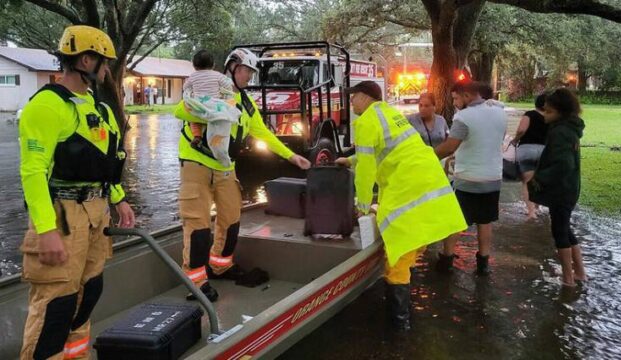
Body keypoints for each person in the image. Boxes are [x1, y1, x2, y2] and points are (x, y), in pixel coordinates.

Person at [18, 25, 135, 359]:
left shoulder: (100, 108)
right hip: (62, 215)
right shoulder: (47, 106)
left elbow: (107, 164)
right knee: (57, 304)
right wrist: (46, 229)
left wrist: (119, 198)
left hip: (96, 212)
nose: (108, 70)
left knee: (89, 291)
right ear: (86, 60)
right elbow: (32, 171)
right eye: (104, 62)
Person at [173, 48, 311, 301]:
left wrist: (291, 156)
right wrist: (211, 109)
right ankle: (196, 282)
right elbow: (180, 111)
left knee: (231, 219)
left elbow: (263, 133)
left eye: (251, 72)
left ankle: (220, 265)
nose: (250, 77)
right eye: (247, 71)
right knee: (198, 226)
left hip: (226, 168)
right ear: (233, 67)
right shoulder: (207, 92)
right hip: (196, 165)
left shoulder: (246, 104)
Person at [335, 81, 467, 331]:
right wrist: (349, 160)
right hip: (428, 182)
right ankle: (408, 307)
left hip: (408, 188)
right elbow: (386, 151)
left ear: (364, 97)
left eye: (353, 98)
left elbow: (366, 169)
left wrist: (362, 206)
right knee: (416, 243)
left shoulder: (365, 122)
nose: (351, 103)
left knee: (396, 258)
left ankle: (400, 325)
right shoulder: (391, 114)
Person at [435, 81, 507, 275]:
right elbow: (494, 139)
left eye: (456, 98)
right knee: (485, 222)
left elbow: (450, 146)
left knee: (455, 221)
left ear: (467, 96)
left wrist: (427, 156)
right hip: (493, 178)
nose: (455, 103)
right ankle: (483, 263)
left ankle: (446, 260)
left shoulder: (463, 117)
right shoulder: (500, 112)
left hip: (468, 180)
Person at [528, 88, 586, 287]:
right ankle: (579, 272)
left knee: (559, 231)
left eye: (549, 112)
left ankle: (568, 278)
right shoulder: (568, 129)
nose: (545, 115)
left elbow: (564, 164)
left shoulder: (560, 132)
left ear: (561, 112)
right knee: (566, 229)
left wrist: (539, 178)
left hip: (561, 190)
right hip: (569, 188)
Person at [183, 50, 235, 156]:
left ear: (194, 65)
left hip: (199, 106)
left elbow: (185, 87)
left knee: (193, 121)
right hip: (214, 105)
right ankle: (216, 143)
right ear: (213, 64)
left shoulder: (193, 76)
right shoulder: (217, 75)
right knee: (219, 121)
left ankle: (197, 136)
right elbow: (228, 86)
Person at [511, 94, 549, 219]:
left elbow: (522, 130)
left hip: (527, 150)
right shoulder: (551, 117)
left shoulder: (530, 114)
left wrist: (515, 140)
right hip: (544, 151)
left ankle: (531, 212)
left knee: (527, 181)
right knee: (539, 180)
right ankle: (538, 207)